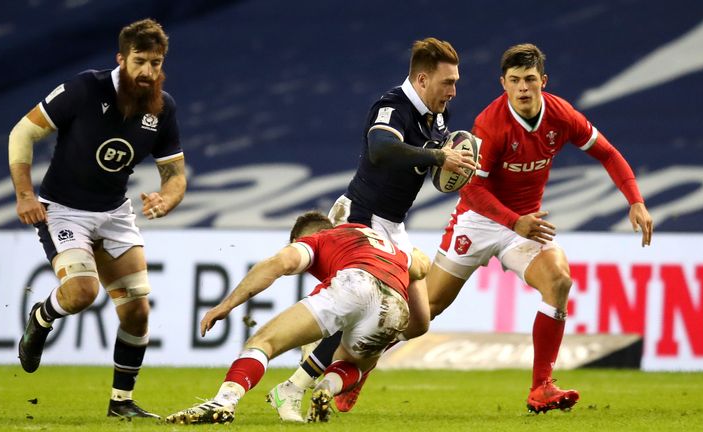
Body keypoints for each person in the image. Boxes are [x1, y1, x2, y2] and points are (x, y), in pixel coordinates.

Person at [414, 43, 654, 413]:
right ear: (503, 84)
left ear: (543, 80)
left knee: (559, 281)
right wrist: (514, 221)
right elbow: (473, 190)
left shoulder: (561, 116)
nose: (523, 88)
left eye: (529, 79)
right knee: (425, 311)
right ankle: (353, 371)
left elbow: (607, 152)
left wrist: (635, 199)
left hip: (525, 224)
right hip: (480, 220)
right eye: (514, 81)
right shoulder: (490, 124)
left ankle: (542, 386)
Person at [266, 37, 478, 420]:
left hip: (392, 224)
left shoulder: (438, 116)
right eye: (448, 82)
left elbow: (428, 164)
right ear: (423, 79)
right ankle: (293, 387)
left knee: (417, 322)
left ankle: (339, 365)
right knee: (356, 312)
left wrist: (451, 163)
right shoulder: (392, 106)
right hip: (361, 219)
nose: (454, 91)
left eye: (456, 82)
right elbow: (380, 149)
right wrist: (438, 155)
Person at [9, 18, 186, 418]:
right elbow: (21, 133)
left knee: (138, 311)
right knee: (81, 293)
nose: (147, 72)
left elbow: (175, 175)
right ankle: (41, 318)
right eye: (139, 61)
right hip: (64, 209)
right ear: (120, 59)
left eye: (155, 63)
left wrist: (168, 198)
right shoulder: (84, 88)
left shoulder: (162, 108)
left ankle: (121, 404)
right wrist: (24, 195)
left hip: (114, 212)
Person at [165, 211, 430, 424]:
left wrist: (227, 304)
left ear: (301, 238)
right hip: (396, 305)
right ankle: (325, 386)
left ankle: (224, 400)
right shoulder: (374, 239)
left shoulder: (317, 240)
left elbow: (279, 264)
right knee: (354, 365)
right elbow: (420, 266)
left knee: (263, 342)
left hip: (355, 284)